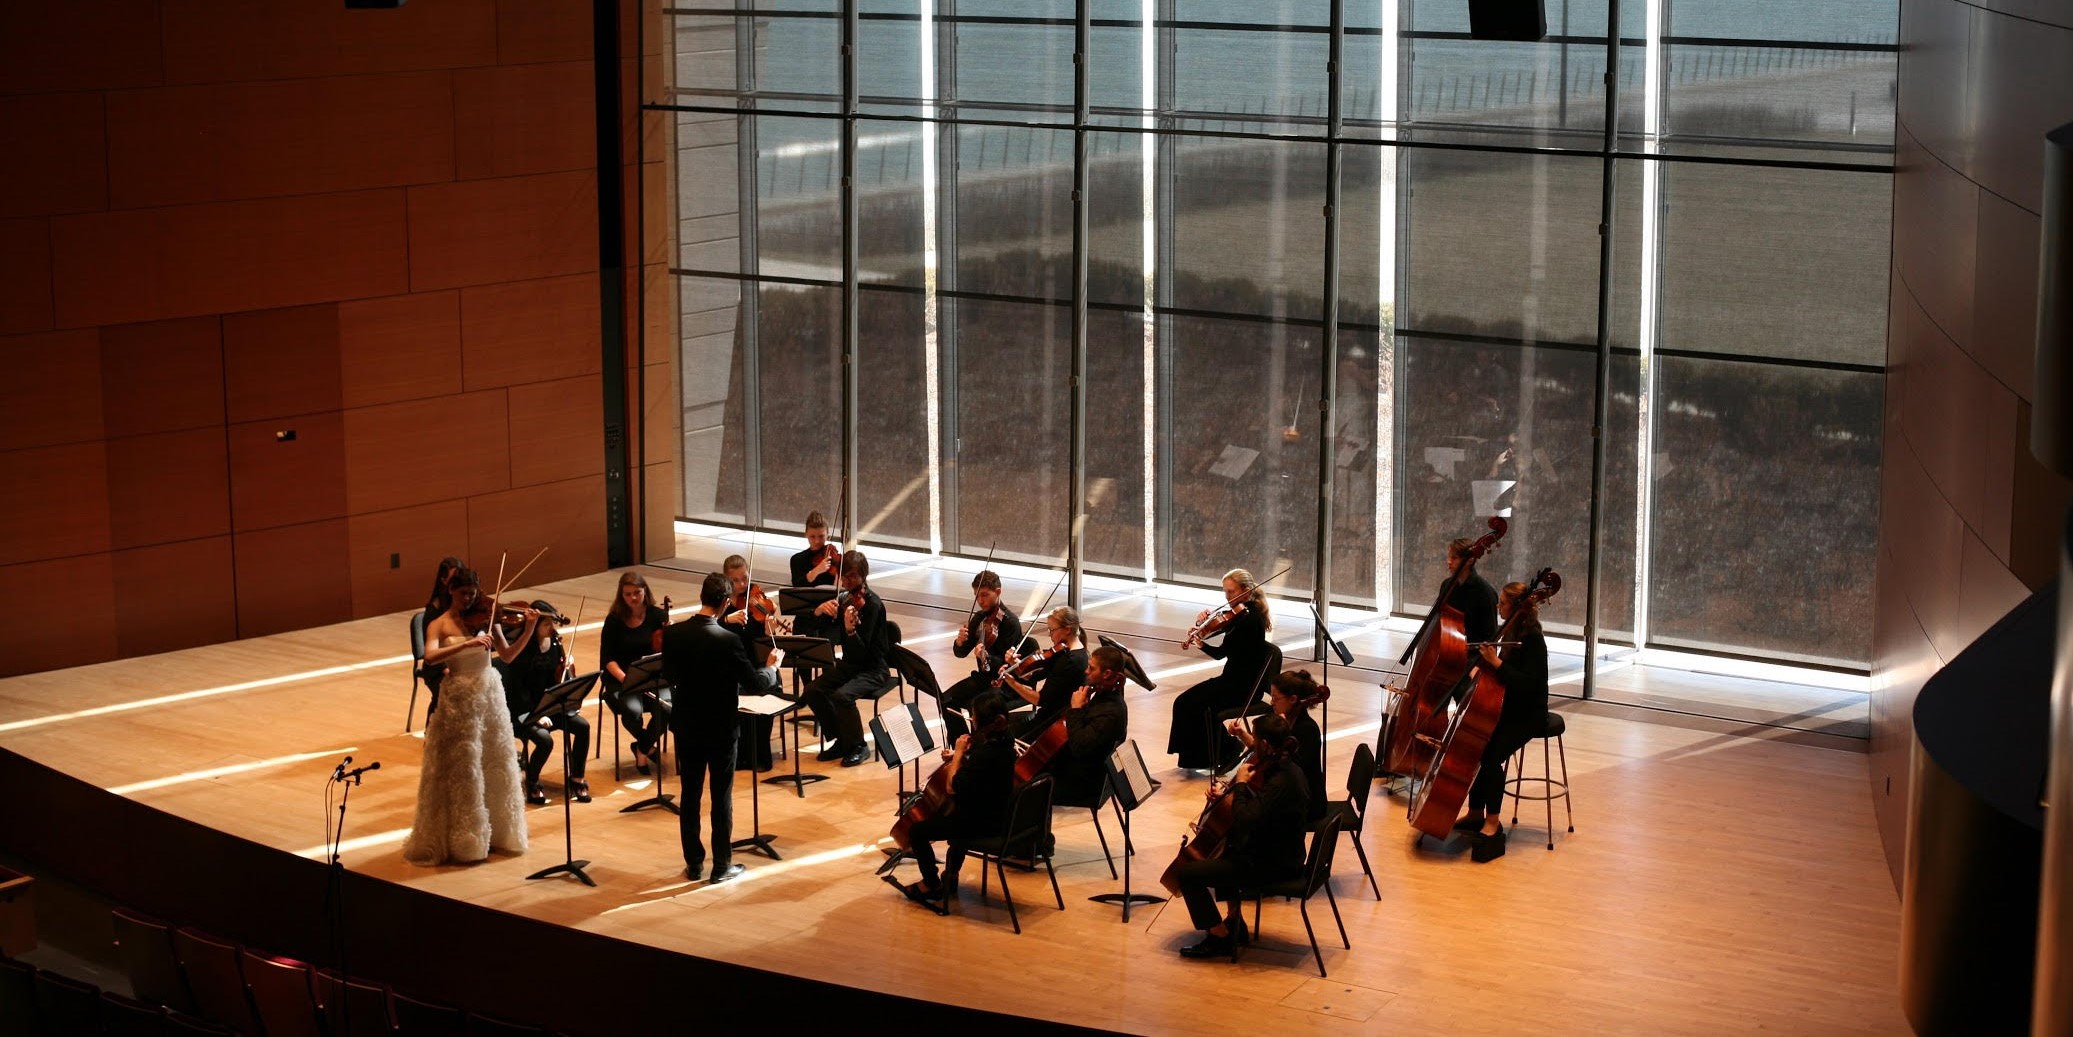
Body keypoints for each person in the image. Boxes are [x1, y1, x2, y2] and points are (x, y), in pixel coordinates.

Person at [403, 570, 534, 866]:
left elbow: (508, 655)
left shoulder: (486, 617)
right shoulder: (438, 623)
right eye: (464, 594)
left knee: (495, 762)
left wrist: (528, 628)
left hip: (489, 693)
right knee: (464, 767)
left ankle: (498, 835)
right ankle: (466, 840)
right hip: (459, 696)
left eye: (473, 593)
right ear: (451, 591)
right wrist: (466, 644)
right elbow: (430, 657)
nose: (469, 599)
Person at [662, 572, 783, 884]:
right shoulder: (728, 641)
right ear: (726, 603)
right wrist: (771, 668)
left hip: (687, 726)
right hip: (721, 729)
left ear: (702, 596)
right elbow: (755, 684)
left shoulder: (674, 634)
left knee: (690, 796)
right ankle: (721, 866)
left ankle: (694, 864)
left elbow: (668, 675)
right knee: (721, 797)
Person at [1171, 712, 1310, 960]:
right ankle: (1234, 921)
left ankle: (1219, 937)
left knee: (1187, 874)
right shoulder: (1289, 768)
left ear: (1266, 745)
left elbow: (1247, 820)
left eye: (1255, 741)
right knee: (1231, 845)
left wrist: (1241, 786)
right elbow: (1260, 811)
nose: (1253, 746)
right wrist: (1229, 797)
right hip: (1281, 851)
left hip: (1275, 865)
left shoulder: (1281, 782)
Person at [884, 693, 1018, 912]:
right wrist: (961, 757)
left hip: (983, 823)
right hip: (999, 813)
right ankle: (952, 874)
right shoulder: (1005, 740)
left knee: (918, 831)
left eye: (974, 717)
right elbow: (980, 773)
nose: (972, 721)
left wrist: (957, 756)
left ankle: (930, 884)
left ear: (987, 722)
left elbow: (951, 787)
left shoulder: (987, 753)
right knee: (955, 815)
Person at [1455, 581, 1549, 863]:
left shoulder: (1532, 638)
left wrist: (1495, 664)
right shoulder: (1511, 630)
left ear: (1517, 607)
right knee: (1481, 746)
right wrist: (1481, 672)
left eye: (1503, 603)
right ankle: (1475, 813)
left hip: (1529, 714)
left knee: (1492, 755)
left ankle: (1492, 821)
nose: (1498, 607)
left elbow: (1530, 684)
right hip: (1508, 707)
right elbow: (1506, 677)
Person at [1167, 569, 1273, 775]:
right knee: (1185, 702)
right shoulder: (1242, 613)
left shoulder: (1250, 620)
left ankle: (1228, 748)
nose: (1227, 597)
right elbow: (1222, 626)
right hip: (1232, 680)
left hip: (1242, 687)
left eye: (1231, 592)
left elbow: (1219, 653)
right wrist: (1202, 623)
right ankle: (1202, 757)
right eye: (1225, 592)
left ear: (1246, 590)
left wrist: (1200, 643)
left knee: (1192, 704)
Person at [497, 600, 591, 806]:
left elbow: (554, 682)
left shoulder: (555, 644)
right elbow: (517, 689)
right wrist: (538, 716)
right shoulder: (522, 648)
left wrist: (564, 670)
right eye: (547, 624)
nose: (552, 628)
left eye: (552, 624)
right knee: (545, 740)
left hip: (548, 705)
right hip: (523, 709)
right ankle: (532, 781)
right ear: (535, 625)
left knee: (583, 727)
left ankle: (577, 778)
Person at [799, 551, 889, 767]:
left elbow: (863, 651)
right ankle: (842, 739)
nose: (847, 581)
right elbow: (816, 628)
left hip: (873, 669)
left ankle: (859, 745)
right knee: (813, 690)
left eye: (852, 576)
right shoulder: (844, 599)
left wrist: (850, 631)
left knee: (841, 696)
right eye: (844, 576)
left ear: (863, 575)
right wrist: (818, 612)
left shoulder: (872, 605)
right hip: (850, 665)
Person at [1225, 669, 1328, 823]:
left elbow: (1289, 768)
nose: (1272, 702)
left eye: (1275, 697)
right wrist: (1242, 733)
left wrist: (1243, 784)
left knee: (1250, 819)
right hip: (1283, 792)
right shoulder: (1280, 721)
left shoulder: (1307, 730)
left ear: (1293, 699)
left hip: (1305, 802)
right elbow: (1263, 748)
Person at [599, 571, 670, 775]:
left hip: (653, 678)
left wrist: (671, 636)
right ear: (621, 596)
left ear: (645, 591)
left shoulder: (658, 616)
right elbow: (607, 659)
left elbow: (668, 652)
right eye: (627, 594)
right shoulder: (613, 620)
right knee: (632, 711)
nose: (633, 598)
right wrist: (626, 678)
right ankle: (648, 747)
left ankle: (641, 748)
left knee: (666, 708)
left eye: (637, 593)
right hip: (621, 680)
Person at [939, 570, 1023, 742]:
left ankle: (978, 745)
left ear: (998, 592)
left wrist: (987, 657)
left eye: (984, 595)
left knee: (977, 707)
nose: (980, 601)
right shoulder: (979, 617)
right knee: (945, 699)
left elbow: (1006, 665)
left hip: (1004, 684)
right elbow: (961, 653)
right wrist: (960, 642)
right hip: (983, 679)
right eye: (977, 596)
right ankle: (961, 742)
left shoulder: (1010, 622)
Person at [1043, 644, 1131, 805]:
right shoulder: (1103, 696)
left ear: (1107, 674)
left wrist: (1076, 709)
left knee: (1022, 790)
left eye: (1091, 668)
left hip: (1083, 784)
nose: (1086, 671)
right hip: (1079, 770)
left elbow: (1078, 747)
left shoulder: (1111, 712)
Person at [718, 554, 779, 770]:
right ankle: (741, 755)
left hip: (757, 663)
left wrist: (768, 629)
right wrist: (726, 619)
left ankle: (760, 755)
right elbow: (708, 626)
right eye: (735, 581)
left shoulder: (756, 597)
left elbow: (766, 639)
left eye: (744, 578)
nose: (742, 584)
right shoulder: (721, 602)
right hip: (731, 667)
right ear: (726, 580)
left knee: (768, 692)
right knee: (732, 698)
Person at [995, 606, 1086, 736]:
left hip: (1052, 721)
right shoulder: (1063, 650)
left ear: (1067, 629)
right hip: (1047, 713)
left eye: (1052, 629)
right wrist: (1015, 666)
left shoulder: (1071, 661)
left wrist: (1012, 683)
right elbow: (1033, 676)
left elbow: (1040, 700)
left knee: (999, 729)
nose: (1049, 634)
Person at [418, 555, 466, 716]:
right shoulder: (434, 611)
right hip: (438, 668)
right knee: (455, 694)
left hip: (462, 664)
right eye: (454, 579)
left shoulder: (465, 606)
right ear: (444, 580)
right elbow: (431, 653)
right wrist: (447, 670)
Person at [788, 511, 842, 640]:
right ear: (806, 533)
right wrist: (816, 571)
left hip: (828, 616)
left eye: (821, 536)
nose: (817, 541)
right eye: (812, 536)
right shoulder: (797, 560)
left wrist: (839, 576)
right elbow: (798, 586)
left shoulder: (834, 559)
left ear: (828, 534)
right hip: (805, 615)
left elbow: (839, 591)